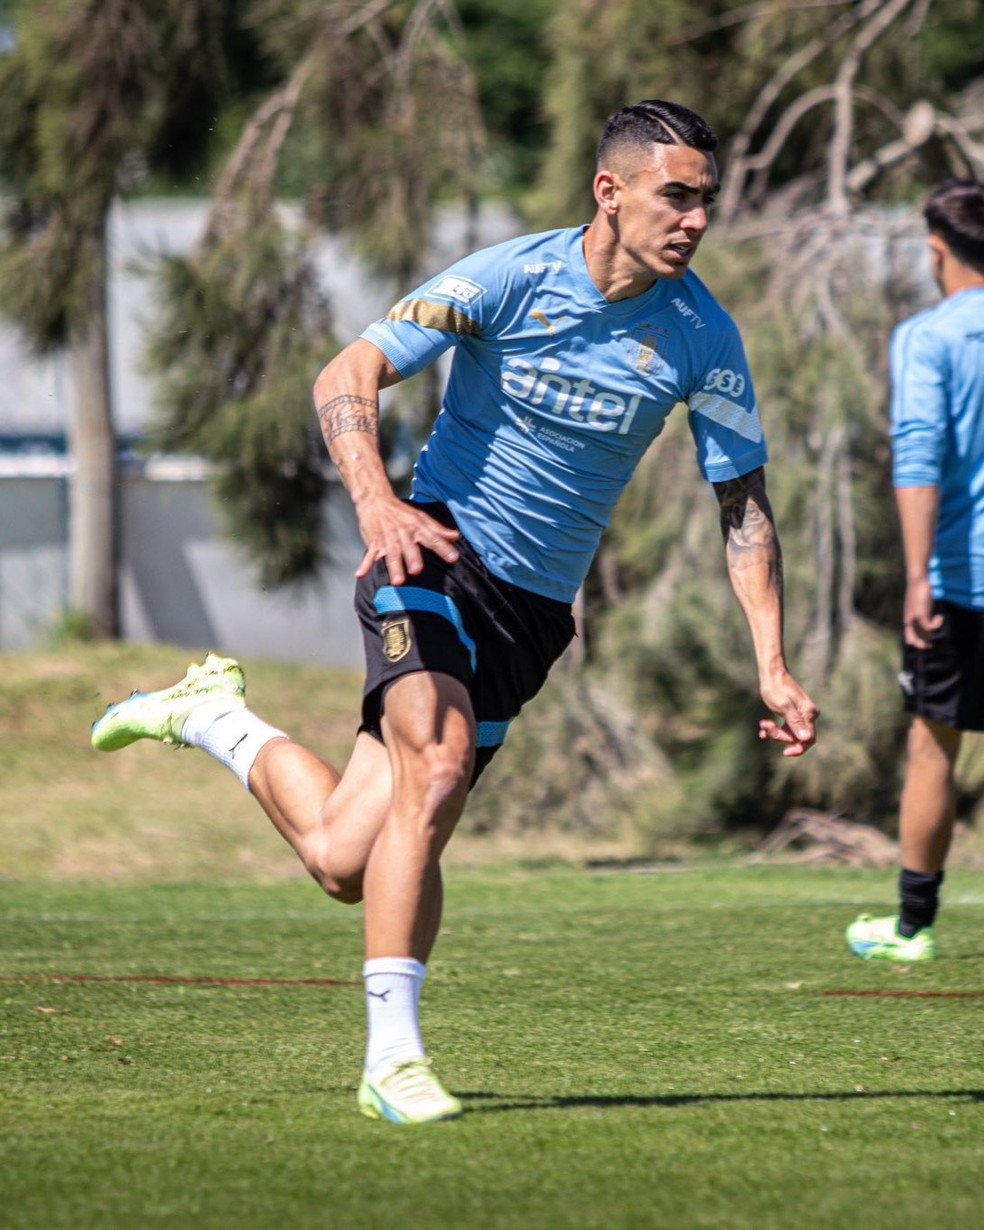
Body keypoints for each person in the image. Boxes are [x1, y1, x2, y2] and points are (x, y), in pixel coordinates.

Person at [92, 99, 818, 1123]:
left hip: (529, 616)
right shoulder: (507, 278)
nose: (696, 219)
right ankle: (394, 1061)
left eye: (707, 199)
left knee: (346, 858)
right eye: (677, 196)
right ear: (610, 191)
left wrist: (773, 663)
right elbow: (349, 373)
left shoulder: (704, 336)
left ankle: (209, 713)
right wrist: (380, 503)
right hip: (427, 551)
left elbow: (741, 502)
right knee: (431, 773)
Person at [847, 179, 984, 963]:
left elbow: (920, 455)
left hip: (963, 581)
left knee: (935, 745)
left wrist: (918, 575)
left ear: (938, 252)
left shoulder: (928, 337)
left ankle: (912, 927)